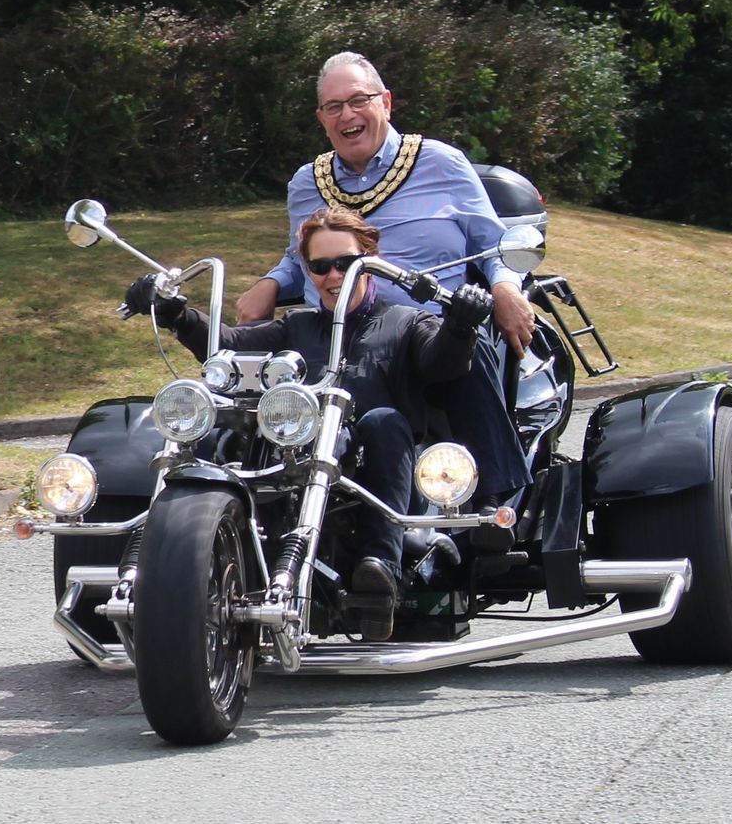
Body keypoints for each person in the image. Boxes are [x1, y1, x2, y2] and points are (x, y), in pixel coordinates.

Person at [123, 206, 494, 640]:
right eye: (321, 266)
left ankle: (380, 571)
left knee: (384, 420)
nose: (334, 275)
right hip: (292, 462)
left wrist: (462, 326)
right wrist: (176, 314)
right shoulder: (295, 327)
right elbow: (227, 345)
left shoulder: (406, 322)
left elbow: (442, 365)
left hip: (375, 482)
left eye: (346, 263)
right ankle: (166, 560)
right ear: (308, 271)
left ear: (369, 260)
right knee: (213, 425)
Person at [235, 51, 535, 506]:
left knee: (470, 357)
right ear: (321, 118)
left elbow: (494, 245)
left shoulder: (441, 162)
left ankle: (496, 504)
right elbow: (303, 259)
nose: (347, 115)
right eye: (333, 107)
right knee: (252, 376)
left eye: (358, 100)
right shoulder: (306, 182)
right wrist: (271, 282)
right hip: (343, 336)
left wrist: (506, 287)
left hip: (431, 331)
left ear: (386, 103)